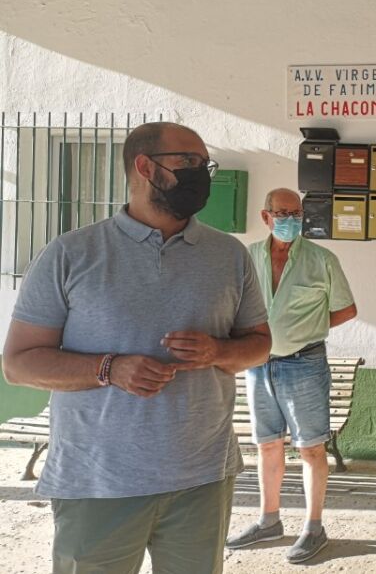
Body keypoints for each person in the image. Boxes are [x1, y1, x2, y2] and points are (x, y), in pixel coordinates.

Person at [2, 122, 272, 574]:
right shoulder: (71, 254)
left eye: (204, 164)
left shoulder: (228, 255)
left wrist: (217, 352)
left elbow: (260, 346)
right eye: (188, 161)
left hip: (202, 478)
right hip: (98, 481)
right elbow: (18, 364)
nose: (200, 173)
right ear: (145, 167)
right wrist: (109, 369)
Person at [226, 188, 357, 564]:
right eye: (282, 213)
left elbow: (346, 310)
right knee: (267, 445)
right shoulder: (247, 257)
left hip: (304, 363)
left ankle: (314, 528)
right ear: (265, 217)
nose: (290, 220)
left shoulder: (322, 260)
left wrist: (307, 327)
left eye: (296, 213)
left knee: (310, 448)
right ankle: (269, 521)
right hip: (258, 364)